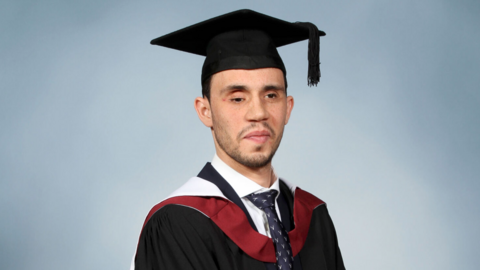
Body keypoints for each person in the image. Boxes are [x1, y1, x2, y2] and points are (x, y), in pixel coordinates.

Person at [131, 9, 345, 270]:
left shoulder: (313, 215)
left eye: (271, 95)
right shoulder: (178, 222)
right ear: (205, 111)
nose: (258, 113)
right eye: (237, 98)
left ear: (288, 108)